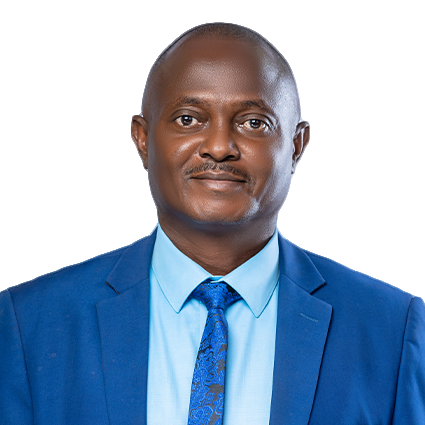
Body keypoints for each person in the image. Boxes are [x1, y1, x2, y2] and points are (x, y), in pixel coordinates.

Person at [1, 22, 424, 425]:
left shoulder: (392, 331)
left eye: (254, 123)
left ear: (296, 146)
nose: (219, 147)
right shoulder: (28, 325)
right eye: (188, 119)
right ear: (142, 139)